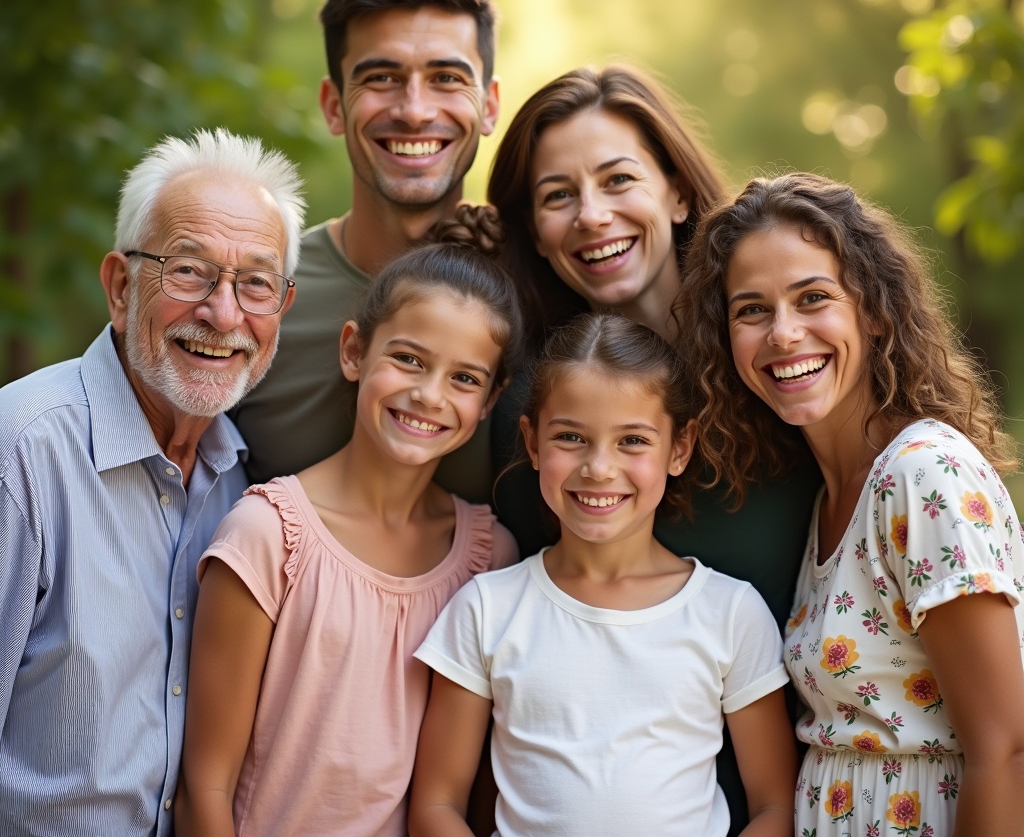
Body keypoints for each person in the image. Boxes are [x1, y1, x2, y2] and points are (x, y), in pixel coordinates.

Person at [486, 65, 820, 833]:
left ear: (675, 191)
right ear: (534, 231)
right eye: (557, 195)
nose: (592, 215)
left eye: (617, 180)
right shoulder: (528, 419)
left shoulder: (779, 366)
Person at [682, 171, 1024, 836]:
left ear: (873, 310)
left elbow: (1006, 752)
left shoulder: (922, 475)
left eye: (812, 297)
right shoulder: (832, 494)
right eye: (751, 309)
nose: (783, 333)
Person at [175, 212, 522, 837]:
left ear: (490, 400)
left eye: (464, 378)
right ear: (354, 351)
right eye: (409, 359)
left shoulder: (488, 559)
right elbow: (205, 790)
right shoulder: (267, 535)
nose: (429, 395)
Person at [0, 129, 304, 837]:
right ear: (119, 286)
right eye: (189, 271)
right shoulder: (22, 453)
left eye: (255, 283)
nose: (223, 315)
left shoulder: (245, 485)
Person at [410, 313, 797, 837]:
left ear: (679, 449)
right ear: (531, 442)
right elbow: (436, 805)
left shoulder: (730, 613)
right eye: (571, 436)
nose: (598, 468)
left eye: (632, 441)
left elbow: (775, 807)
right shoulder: (486, 608)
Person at [233, 0, 501, 502]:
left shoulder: (543, 284)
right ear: (333, 105)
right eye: (382, 77)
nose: (414, 109)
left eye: (447, 77)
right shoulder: (255, 294)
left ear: (490, 105)